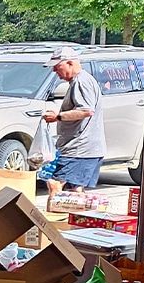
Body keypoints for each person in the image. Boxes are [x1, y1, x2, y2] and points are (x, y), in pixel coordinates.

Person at [39, 47, 104, 194]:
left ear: (69, 63)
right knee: (74, 190)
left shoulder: (81, 82)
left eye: (57, 66)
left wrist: (58, 117)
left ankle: (54, 215)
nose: (54, 71)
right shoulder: (80, 81)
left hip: (80, 149)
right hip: (81, 148)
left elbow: (86, 110)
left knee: (55, 184)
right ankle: (74, 216)